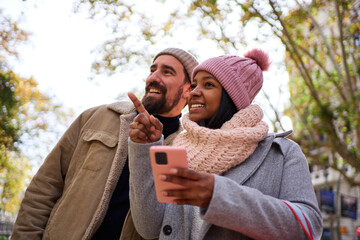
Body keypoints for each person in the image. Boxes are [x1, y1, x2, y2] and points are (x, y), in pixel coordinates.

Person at [127, 49, 323, 239]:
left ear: (233, 97)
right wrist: (144, 149)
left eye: (208, 85)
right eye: (194, 85)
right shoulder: (178, 149)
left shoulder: (282, 153)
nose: (194, 92)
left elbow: (309, 226)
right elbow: (149, 227)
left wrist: (219, 196)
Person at [11, 48, 199, 240]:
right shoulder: (96, 117)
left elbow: (169, 226)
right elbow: (44, 187)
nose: (154, 77)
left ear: (188, 89)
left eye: (167, 72)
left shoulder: (185, 151)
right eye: (152, 70)